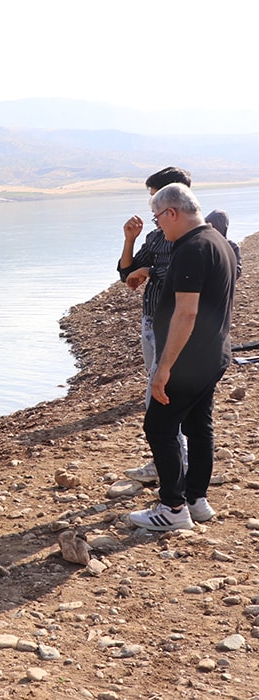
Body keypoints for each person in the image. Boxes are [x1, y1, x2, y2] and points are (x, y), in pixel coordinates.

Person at [128, 184, 236, 531]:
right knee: (198, 426)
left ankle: (173, 508)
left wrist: (164, 367)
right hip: (212, 355)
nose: (158, 225)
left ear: (171, 212)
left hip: (187, 361)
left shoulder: (192, 248)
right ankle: (196, 499)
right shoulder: (219, 242)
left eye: (158, 218)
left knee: (158, 426)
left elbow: (186, 313)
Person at [117, 167, 193, 482]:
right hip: (150, 319)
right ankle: (164, 462)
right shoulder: (155, 236)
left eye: (154, 202)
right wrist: (129, 240)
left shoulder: (193, 237)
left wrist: (149, 271)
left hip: (174, 323)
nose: (153, 213)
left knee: (163, 393)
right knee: (154, 388)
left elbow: (182, 280)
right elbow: (125, 273)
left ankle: (175, 465)